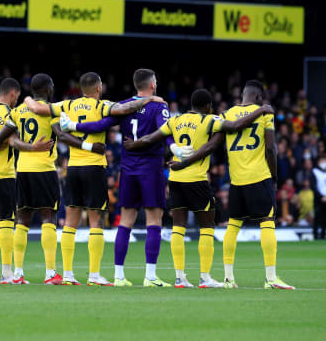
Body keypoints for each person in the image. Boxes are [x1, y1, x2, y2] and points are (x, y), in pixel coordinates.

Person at [25, 71, 166, 286]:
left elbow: (36, 107)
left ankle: (69, 275)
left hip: (73, 168)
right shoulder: (103, 106)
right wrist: (149, 99)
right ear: (98, 88)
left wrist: (26, 98)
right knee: (96, 221)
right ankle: (94, 275)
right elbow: (123, 110)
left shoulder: (68, 105)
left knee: (70, 222)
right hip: (95, 167)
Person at [127, 89, 273, 288]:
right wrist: (261, 110)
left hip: (175, 178)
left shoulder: (175, 121)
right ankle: (205, 278)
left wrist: (132, 145)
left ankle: (180, 278)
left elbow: (151, 138)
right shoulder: (209, 120)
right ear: (206, 106)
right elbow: (237, 124)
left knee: (178, 227)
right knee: (206, 227)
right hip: (196, 180)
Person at [172, 80, 295, 289]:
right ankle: (271, 278)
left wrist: (184, 162)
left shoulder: (225, 115)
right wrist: (273, 178)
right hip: (259, 176)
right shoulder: (264, 113)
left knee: (233, 226)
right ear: (258, 97)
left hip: (236, 179)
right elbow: (271, 148)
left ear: (243, 95)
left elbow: (211, 145)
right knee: (267, 221)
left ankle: (228, 278)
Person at [60, 69, 177, 287]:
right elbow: (165, 130)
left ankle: (118, 275)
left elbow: (99, 125)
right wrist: (175, 149)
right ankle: (150, 277)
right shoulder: (159, 106)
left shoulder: (122, 106)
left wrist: (74, 126)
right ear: (151, 85)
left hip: (128, 170)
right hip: (151, 169)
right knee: (154, 221)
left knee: (125, 221)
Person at [0, 73, 101, 285]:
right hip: (44, 170)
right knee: (48, 219)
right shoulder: (51, 111)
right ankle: (50, 273)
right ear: (47, 89)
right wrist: (88, 146)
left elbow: (2, 137)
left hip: (23, 171)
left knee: (22, 221)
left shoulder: (18, 111)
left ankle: (17, 273)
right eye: (52, 86)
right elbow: (62, 136)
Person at [311, 156, 326, 239]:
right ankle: (315, 235)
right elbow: (313, 186)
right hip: (318, 199)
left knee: (325, 219)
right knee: (317, 217)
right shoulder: (314, 172)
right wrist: (321, 197)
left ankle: (323, 235)